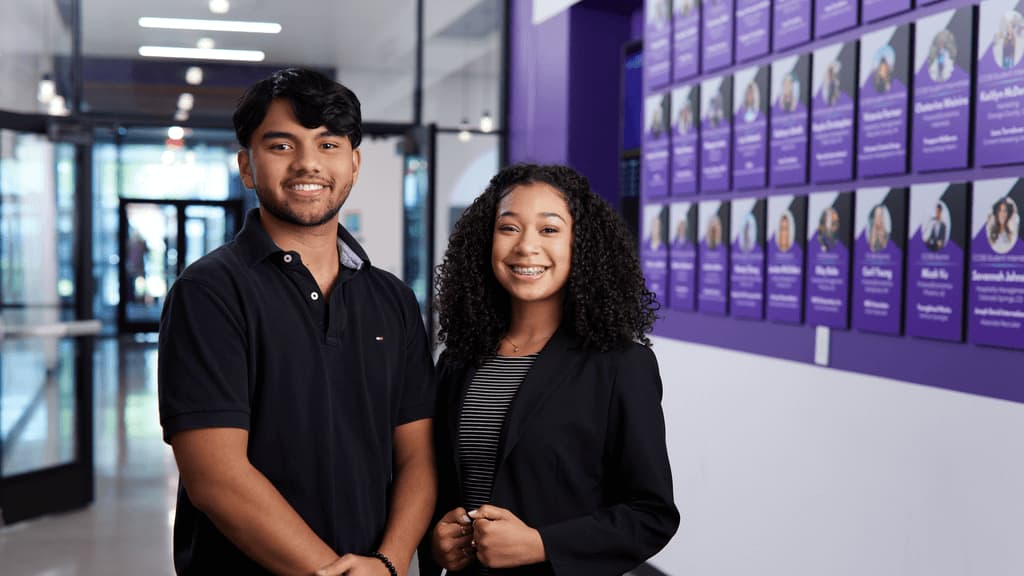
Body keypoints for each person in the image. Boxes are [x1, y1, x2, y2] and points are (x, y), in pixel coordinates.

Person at [158, 68, 436, 576]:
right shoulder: (209, 292)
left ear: (354, 164)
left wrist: (389, 564)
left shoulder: (392, 300)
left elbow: (418, 457)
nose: (308, 163)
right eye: (281, 145)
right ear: (247, 166)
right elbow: (216, 477)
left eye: (328, 145)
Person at [422, 164, 679, 576]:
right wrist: (434, 541)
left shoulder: (619, 365)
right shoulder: (459, 360)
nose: (526, 247)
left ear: (581, 244)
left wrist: (540, 544)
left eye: (549, 230)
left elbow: (650, 515)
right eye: (509, 228)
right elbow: (436, 483)